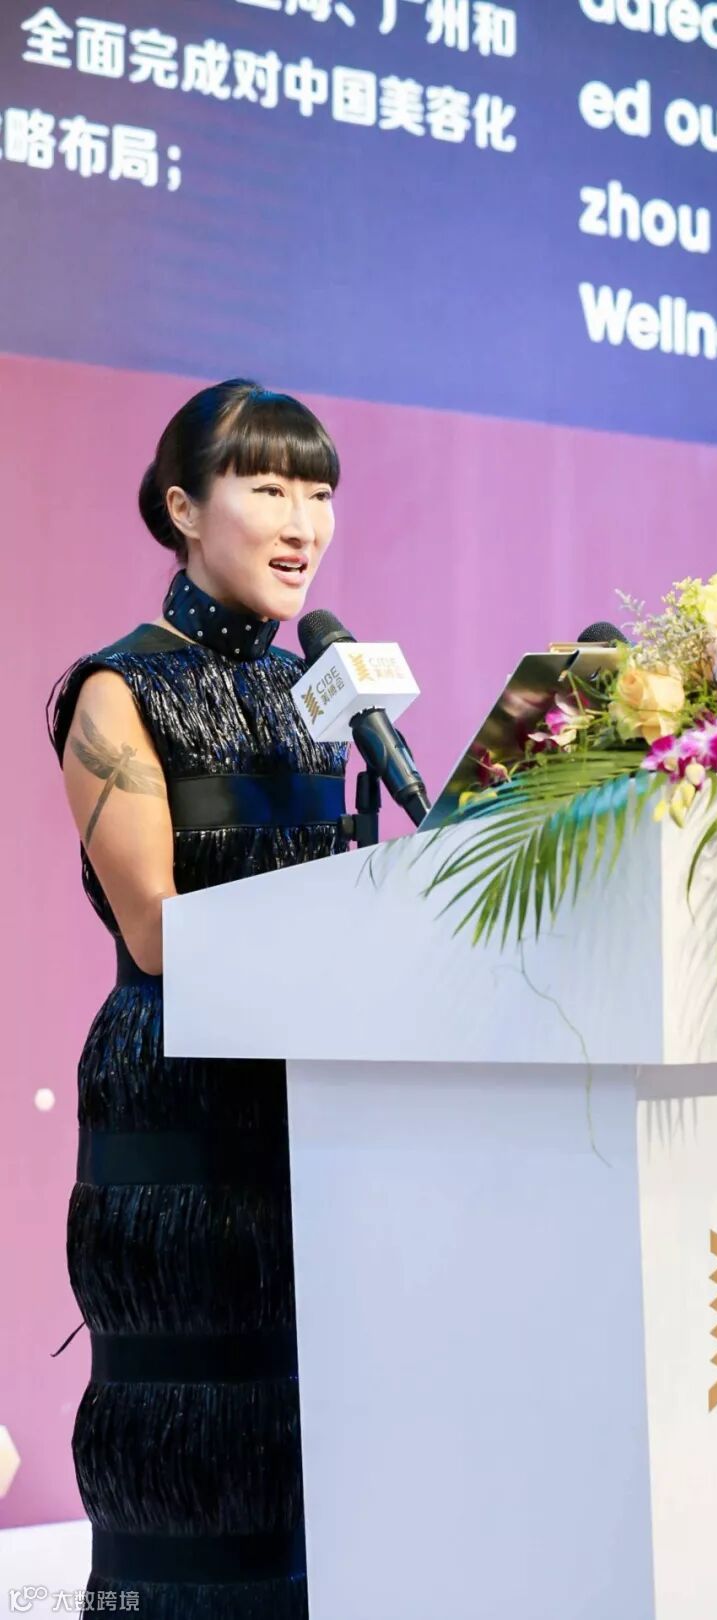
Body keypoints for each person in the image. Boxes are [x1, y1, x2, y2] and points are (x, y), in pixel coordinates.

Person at [46, 378, 349, 1617]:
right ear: (183, 508)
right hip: (181, 1103)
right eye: (269, 488)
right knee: (193, 1437)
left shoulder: (318, 695)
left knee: (308, 1426)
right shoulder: (115, 690)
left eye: (319, 494)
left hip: (317, 1097)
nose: (302, 523)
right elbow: (158, 929)